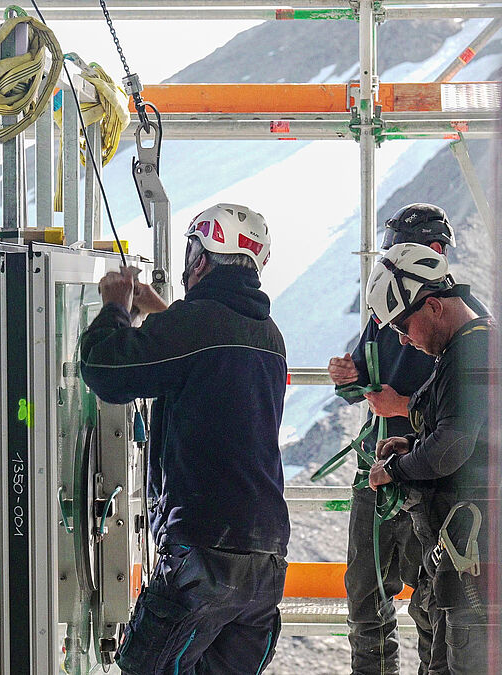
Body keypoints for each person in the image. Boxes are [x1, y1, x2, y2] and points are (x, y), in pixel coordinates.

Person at [80, 203, 289, 674]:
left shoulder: (198, 327)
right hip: (265, 563)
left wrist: (117, 303)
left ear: (199, 260)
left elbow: (105, 368)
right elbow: (203, 354)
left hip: (205, 554)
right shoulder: (266, 335)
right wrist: (161, 313)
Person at [327, 203, 482, 674]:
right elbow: (379, 386)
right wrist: (349, 380)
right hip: (398, 477)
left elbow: (454, 431)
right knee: (368, 596)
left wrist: (403, 422)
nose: (402, 338)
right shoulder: (401, 317)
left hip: (429, 486)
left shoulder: (457, 332)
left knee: (434, 607)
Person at [365, 242, 495, 675]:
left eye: (404, 325)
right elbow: (453, 431)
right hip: (462, 560)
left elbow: (452, 447)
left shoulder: (471, 351)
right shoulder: (466, 347)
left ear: (434, 306)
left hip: (475, 557)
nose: (403, 339)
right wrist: (413, 447)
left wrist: (395, 470)